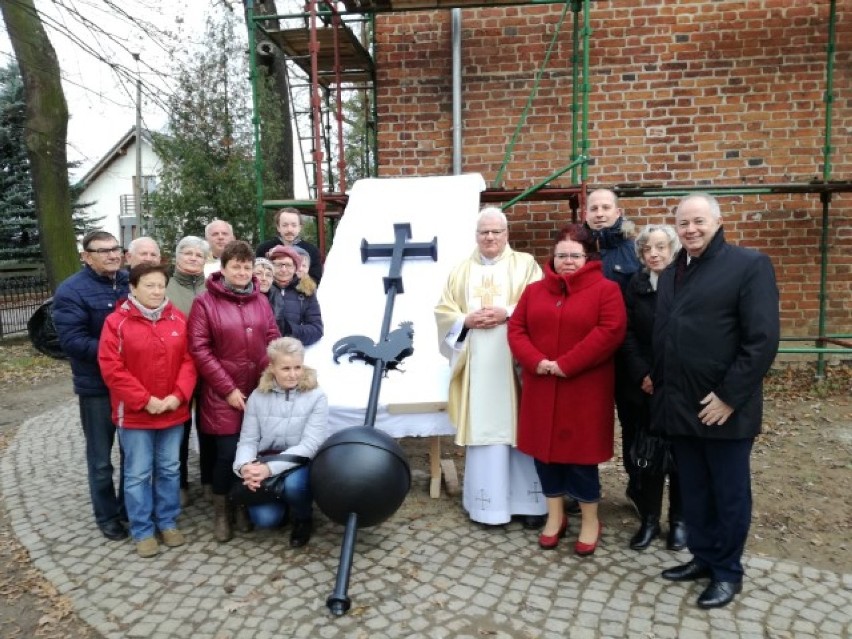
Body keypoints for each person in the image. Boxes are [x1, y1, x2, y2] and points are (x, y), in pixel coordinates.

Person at [652, 193, 779, 609]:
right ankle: (703, 558)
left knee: (728, 493)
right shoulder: (672, 273)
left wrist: (728, 397)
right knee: (695, 490)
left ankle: (728, 571)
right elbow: (668, 335)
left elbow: (761, 341)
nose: (690, 229)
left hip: (724, 408)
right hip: (681, 406)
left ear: (718, 221)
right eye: (684, 222)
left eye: (698, 221)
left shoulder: (748, 265)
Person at [508, 224, 626, 555]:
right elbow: (517, 329)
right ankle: (555, 516)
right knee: (545, 458)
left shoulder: (606, 290)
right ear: (553, 257)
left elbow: (610, 331)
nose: (568, 261)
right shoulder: (533, 291)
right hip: (542, 386)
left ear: (588, 258)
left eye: (575, 255)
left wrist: (567, 363)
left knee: (580, 459)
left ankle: (590, 520)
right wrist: (537, 361)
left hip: (584, 391)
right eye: (562, 255)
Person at [434, 207, 546, 528]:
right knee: (487, 433)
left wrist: (508, 312)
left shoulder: (525, 265)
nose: (490, 237)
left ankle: (529, 505)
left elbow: (539, 302)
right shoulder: (460, 271)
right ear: (476, 236)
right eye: (484, 232)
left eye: (497, 231)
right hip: (478, 366)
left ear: (506, 234)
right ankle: (489, 507)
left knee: (521, 431)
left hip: (516, 366)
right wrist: (465, 320)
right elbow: (443, 311)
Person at [98, 264, 197, 557]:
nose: (156, 291)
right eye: (149, 285)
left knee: (169, 469)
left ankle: (166, 521)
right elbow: (112, 369)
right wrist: (144, 399)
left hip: (172, 411)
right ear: (133, 288)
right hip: (136, 414)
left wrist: (178, 396)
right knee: (138, 473)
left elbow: (189, 361)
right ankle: (142, 529)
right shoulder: (117, 323)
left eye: (160, 285)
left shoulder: (177, 319)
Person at [188, 240, 280, 542]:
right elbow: (200, 349)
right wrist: (227, 389)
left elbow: (272, 338)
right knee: (226, 454)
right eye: (235, 266)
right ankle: (222, 512)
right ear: (223, 268)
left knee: (251, 451)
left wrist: (269, 377)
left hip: (257, 390)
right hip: (221, 393)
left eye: (246, 266)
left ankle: (242, 503)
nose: (242, 271)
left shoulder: (260, 300)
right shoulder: (205, 302)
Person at [53, 231, 130, 541]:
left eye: (116, 249)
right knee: (100, 458)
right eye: (103, 251)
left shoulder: (129, 282)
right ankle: (107, 515)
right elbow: (72, 341)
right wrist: (120, 352)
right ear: (86, 256)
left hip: (130, 385)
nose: (112, 255)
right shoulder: (71, 291)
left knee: (132, 453)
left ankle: (127, 508)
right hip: (96, 386)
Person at [619, 225, 685, 551]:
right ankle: (648, 519)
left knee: (680, 456)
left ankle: (679, 522)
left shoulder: (687, 283)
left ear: (673, 250)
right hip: (645, 386)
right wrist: (643, 373)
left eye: (661, 247)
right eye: (648, 249)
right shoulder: (637, 283)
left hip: (679, 386)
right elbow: (628, 333)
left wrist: (666, 375)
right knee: (647, 455)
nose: (654, 254)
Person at [233, 337, 328, 547]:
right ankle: (283, 505)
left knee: (294, 486)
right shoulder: (258, 396)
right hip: (265, 460)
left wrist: (269, 469)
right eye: (286, 368)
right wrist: (245, 468)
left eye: (298, 367)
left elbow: (311, 444)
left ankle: (303, 517)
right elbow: (248, 440)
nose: (293, 374)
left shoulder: (317, 396)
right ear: (272, 367)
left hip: (299, 462)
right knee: (266, 520)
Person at [583, 188, 643, 515]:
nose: (600, 213)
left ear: (618, 212)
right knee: (585, 422)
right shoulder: (577, 251)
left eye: (606, 207)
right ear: (586, 213)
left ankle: (639, 489)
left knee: (634, 423)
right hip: (587, 357)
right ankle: (583, 489)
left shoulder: (633, 253)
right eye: (594, 208)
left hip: (625, 356)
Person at [165, 236, 212, 506]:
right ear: (178, 256)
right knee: (179, 428)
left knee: (208, 427)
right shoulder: (166, 287)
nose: (193, 258)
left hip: (207, 366)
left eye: (199, 255)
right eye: (188, 254)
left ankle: (208, 480)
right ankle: (179, 482)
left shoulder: (211, 288)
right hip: (177, 368)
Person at [265, 245, 323, 347]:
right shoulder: (261, 289)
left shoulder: (306, 291)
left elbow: (317, 329)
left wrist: (290, 330)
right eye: (278, 265)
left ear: (295, 268)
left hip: (291, 352)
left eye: (288, 265)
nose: (283, 270)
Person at [255, 207, 323, 283]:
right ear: (278, 227)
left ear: (300, 227)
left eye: (294, 225)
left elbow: (316, 280)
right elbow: (257, 277)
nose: (289, 229)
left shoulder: (312, 251)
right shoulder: (264, 249)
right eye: (285, 225)